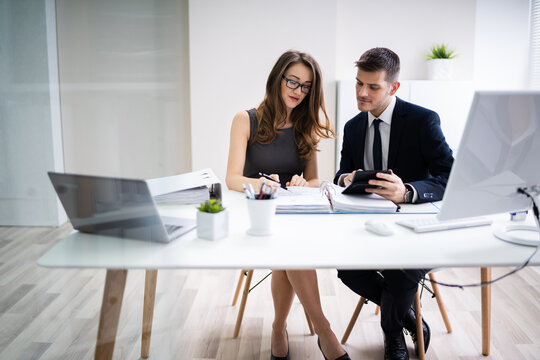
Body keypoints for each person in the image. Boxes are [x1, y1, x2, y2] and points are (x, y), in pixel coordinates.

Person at [226, 50, 349, 360]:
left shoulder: (305, 124)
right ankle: (325, 331)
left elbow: (313, 181)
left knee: (291, 247)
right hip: (258, 215)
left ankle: (279, 328)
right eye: (293, 82)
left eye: (306, 86)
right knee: (291, 248)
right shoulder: (246, 120)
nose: (298, 91)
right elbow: (231, 178)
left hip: (293, 214)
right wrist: (264, 184)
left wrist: (298, 184)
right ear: (277, 79)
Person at [334, 48, 454, 360]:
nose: (362, 93)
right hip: (368, 224)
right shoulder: (353, 127)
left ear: (393, 87)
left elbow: (450, 176)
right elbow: (340, 174)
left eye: (373, 87)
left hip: (416, 227)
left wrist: (409, 191)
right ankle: (411, 319)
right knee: (347, 270)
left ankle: (392, 336)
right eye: (359, 83)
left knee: (401, 268)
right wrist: (346, 178)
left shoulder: (423, 120)